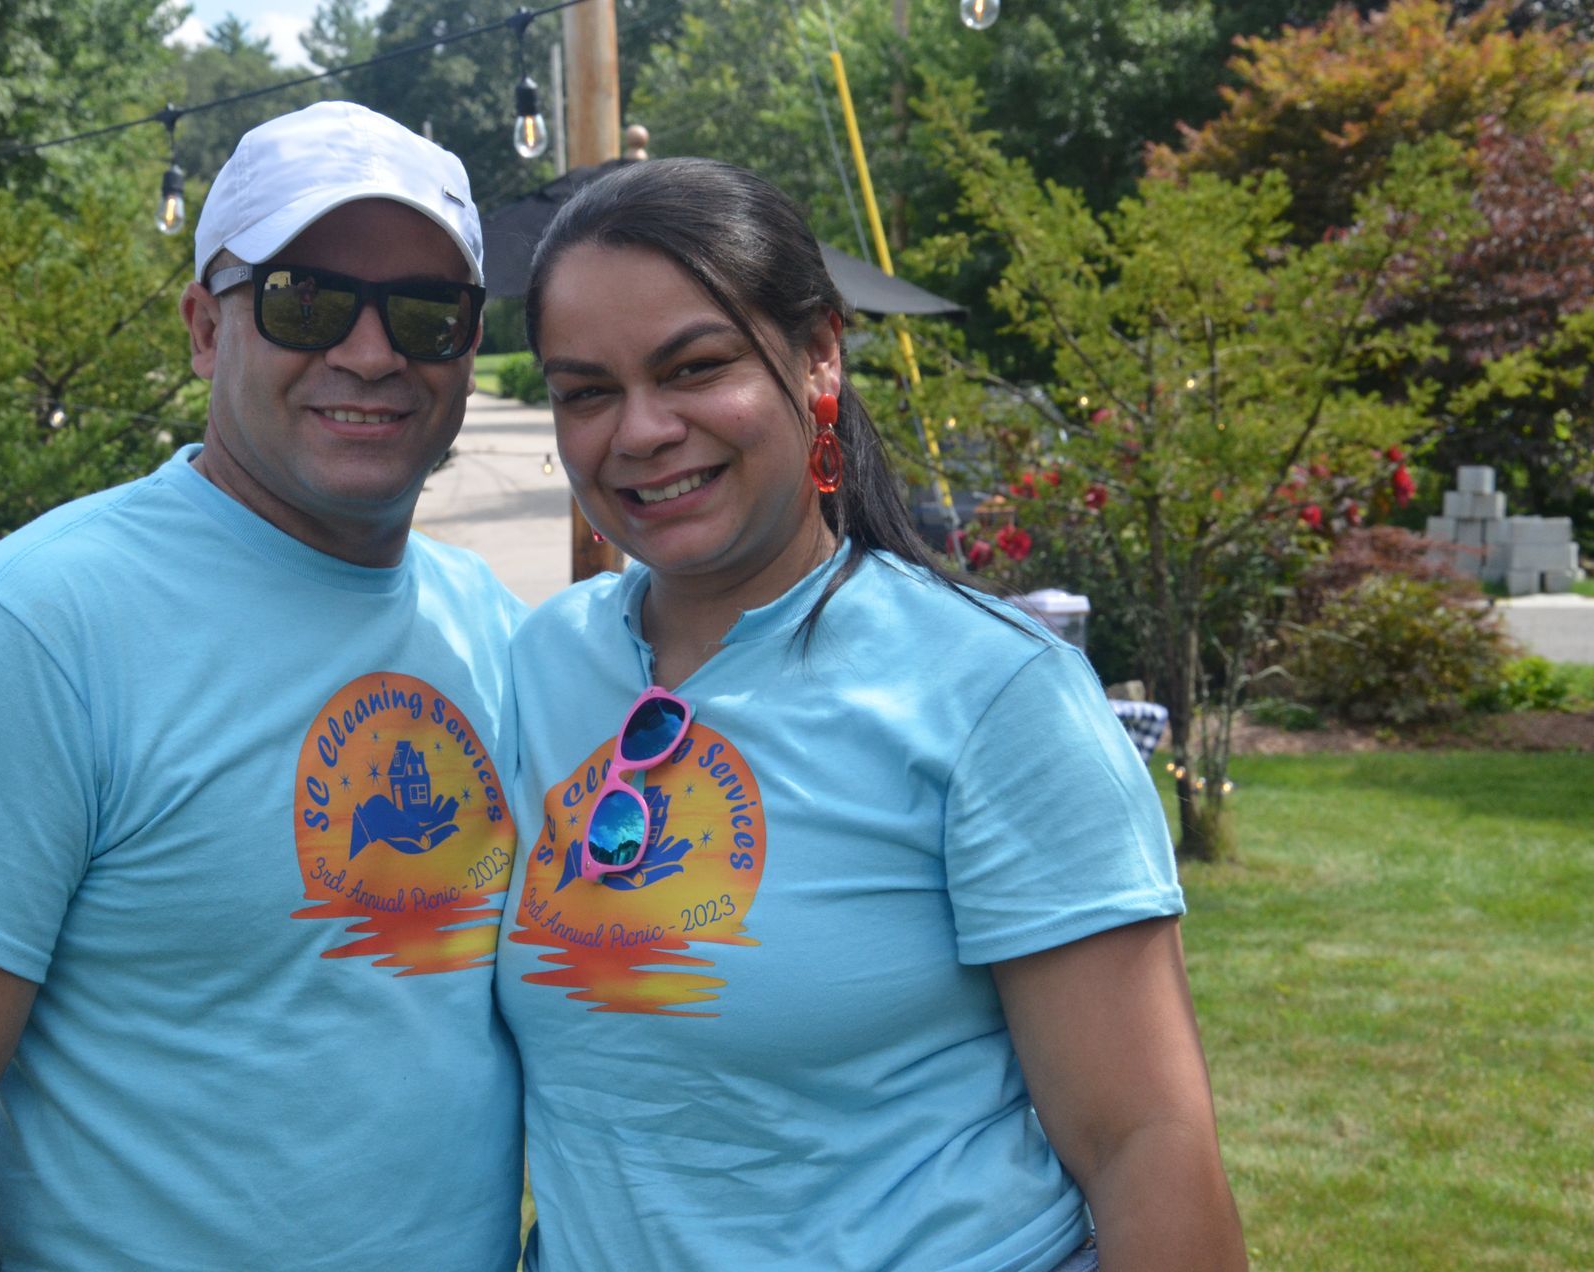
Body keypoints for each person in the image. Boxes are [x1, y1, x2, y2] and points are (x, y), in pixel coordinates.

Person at [0, 102, 528, 1270]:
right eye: (305, 299)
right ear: (204, 326)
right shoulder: (37, 627)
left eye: (424, 312)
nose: (370, 350)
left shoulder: (487, 622)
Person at [495, 158, 1248, 1271]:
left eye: (695, 367)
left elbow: (1144, 1143)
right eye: (586, 391)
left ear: (819, 356)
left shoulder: (994, 691)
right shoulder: (549, 662)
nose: (641, 431)